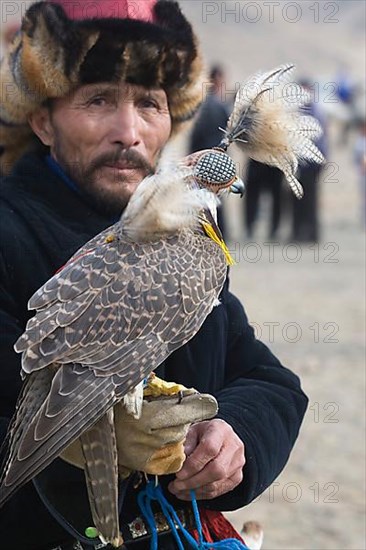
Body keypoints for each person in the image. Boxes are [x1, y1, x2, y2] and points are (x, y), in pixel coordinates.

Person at [0, 1, 308, 549]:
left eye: (150, 103)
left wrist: (233, 437)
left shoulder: (189, 242)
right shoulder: (9, 233)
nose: (129, 131)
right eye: (98, 99)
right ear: (43, 120)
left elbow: (271, 381)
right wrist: (95, 426)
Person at [188, 65, 231, 238]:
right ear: (216, 80)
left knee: (209, 203)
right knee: (211, 202)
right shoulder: (214, 106)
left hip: (205, 161)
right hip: (211, 162)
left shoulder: (205, 105)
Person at [290, 79, 328, 244]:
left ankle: (310, 233)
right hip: (302, 162)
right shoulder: (303, 110)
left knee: (309, 199)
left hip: (311, 163)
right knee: (298, 198)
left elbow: (318, 140)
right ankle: (300, 232)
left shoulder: (313, 111)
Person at [244, 160, 284, 240]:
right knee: (252, 193)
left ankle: (275, 229)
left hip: (275, 160)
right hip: (256, 158)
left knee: (277, 195)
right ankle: (249, 226)